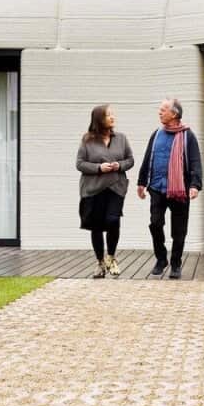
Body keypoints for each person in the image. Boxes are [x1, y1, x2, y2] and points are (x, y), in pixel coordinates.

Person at [136, 98, 202, 279]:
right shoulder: (156, 134)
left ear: (174, 114)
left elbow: (195, 161)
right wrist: (141, 182)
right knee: (155, 223)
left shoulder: (188, 136)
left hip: (180, 190)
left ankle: (176, 263)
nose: (159, 112)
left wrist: (195, 185)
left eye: (163, 109)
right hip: (157, 187)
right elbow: (148, 158)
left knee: (179, 231)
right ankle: (161, 259)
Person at [76, 104, 135, 278]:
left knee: (113, 220)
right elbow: (79, 164)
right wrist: (99, 168)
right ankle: (100, 263)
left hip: (116, 187)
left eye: (112, 114)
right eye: (109, 115)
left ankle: (111, 257)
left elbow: (130, 160)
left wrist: (119, 165)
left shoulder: (121, 138)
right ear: (99, 119)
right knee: (96, 227)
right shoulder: (87, 140)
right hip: (94, 189)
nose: (112, 117)